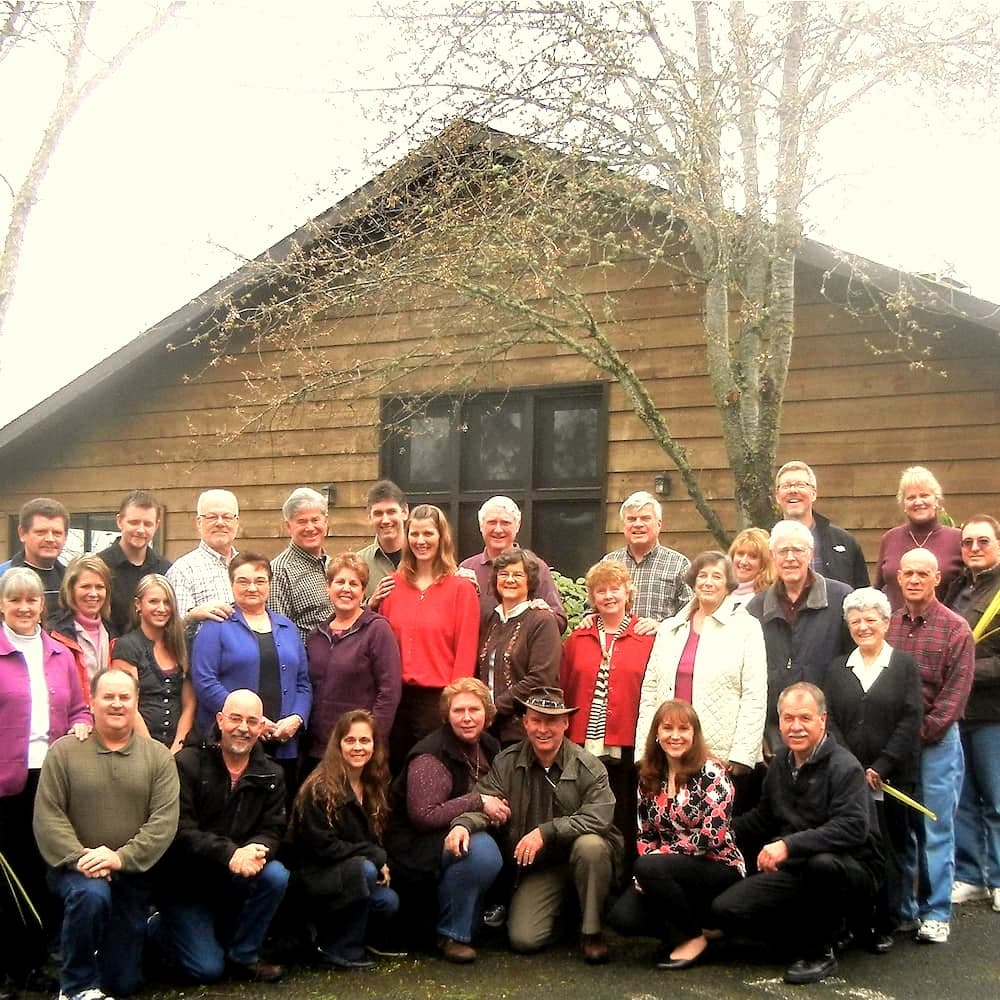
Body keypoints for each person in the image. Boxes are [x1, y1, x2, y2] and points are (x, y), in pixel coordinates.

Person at [711, 683, 882, 986]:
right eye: (788, 718)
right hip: (797, 868)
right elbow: (763, 819)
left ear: (822, 720)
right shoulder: (780, 764)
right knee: (726, 910)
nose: (796, 726)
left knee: (823, 864)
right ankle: (819, 931)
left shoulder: (845, 767)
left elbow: (853, 827)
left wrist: (788, 845)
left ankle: (821, 950)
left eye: (805, 718)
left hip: (851, 870)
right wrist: (715, 832)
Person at [445, 687, 624, 965]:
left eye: (551, 721)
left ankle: (592, 933)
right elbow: (487, 803)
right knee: (523, 939)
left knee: (591, 846)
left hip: (584, 858)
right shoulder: (507, 762)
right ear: (525, 722)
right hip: (542, 868)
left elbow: (600, 817)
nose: (543, 729)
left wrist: (546, 831)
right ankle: (568, 916)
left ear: (565, 723)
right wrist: (464, 825)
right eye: (536, 720)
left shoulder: (589, 765)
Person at [33, 668, 179, 1000]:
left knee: (123, 983)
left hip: (130, 874)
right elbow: (48, 815)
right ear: (92, 701)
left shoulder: (157, 757)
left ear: (136, 702)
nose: (116, 704)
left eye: (124, 697)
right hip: (74, 871)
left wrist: (118, 857)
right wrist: (80, 857)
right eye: (108, 697)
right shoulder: (64, 752)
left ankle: (139, 933)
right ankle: (76, 987)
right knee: (92, 895)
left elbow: (163, 822)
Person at [150, 689, 288, 984]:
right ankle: (158, 927)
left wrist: (257, 848)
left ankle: (244, 955)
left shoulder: (272, 775)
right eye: (236, 719)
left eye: (252, 721)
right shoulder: (187, 763)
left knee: (275, 875)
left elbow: (273, 830)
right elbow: (180, 830)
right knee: (206, 970)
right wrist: (230, 854)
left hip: (234, 879)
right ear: (220, 720)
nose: (243, 728)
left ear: (261, 728)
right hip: (185, 884)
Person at [0, 568, 90, 995]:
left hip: (50, 779)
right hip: (5, 782)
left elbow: (80, 709)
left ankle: (38, 961)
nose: (23, 608)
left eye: (31, 601)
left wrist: (82, 726)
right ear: (2, 604)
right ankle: (10, 965)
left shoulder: (58, 654)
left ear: (43, 605)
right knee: (9, 877)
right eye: (14, 600)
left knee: (43, 871)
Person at [608, 700, 744, 970]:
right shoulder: (649, 775)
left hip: (717, 865)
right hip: (664, 870)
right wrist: (647, 873)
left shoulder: (713, 773)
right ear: (656, 734)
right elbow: (645, 834)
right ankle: (700, 928)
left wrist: (655, 863)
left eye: (684, 728)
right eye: (667, 728)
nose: (675, 735)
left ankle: (692, 939)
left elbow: (711, 837)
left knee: (649, 866)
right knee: (622, 918)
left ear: (695, 734)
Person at [824, 587, 922, 950]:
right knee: (852, 850)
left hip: (893, 778)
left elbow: (911, 721)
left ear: (886, 622)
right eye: (856, 620)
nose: (863, 626)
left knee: (890, 850)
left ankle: (884, 923)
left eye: (870, 620)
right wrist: (852, 767)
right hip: (849, 780)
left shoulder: (905, 666)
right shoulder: (836, 668)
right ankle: (852, 922)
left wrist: (881, 766)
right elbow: (829, 719)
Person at [384, 678, 507, 962]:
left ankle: (476, 920)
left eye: (474, 710)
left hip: (464, 829)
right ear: (446, 715)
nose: (466, 718)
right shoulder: (431, 754)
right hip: (415, 844)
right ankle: (451, 934)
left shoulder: (489, 745)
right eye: (457, 711)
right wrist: (478, 803)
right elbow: (424, 815)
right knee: (482, 850)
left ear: (487, 714)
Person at [887, 548, 975, 942]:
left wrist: (914, 735)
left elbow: (953, 698)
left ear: (937, 578)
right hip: (897, 746)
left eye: (923, 573)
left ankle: (936, 912)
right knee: (901, 829)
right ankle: (905, 908)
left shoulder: (956, 629)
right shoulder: (887, 627)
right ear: (899, 578)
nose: (915, 580)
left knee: (935, 827)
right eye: (908, 573)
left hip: (937, 742)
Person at [636, 552, 767, 810]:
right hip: (669, 751)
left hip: (720, 754)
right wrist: (644, 749)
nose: (708, 582)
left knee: (714, 832)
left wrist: (741, 755)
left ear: (728, 584)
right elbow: (650, 690)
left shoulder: (746, 628)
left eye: (716, 576)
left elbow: (755, 694)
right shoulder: (670, 629)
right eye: (702, 576)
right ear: (693, 582)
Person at [286, 710, 399, 970]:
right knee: (365, 871)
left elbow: (376, 835)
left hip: (348, 871)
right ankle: (337, 948)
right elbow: (323, 847)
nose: (358, 747)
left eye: (364, 740)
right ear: (338, 745)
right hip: (313, 876)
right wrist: (374, 855)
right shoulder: (320, 788)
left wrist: (375, 854)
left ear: (374, 745)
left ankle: (343, 936)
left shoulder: (374, 783)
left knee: (388, 902)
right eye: (350, 741)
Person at [191, 553, 312, 791]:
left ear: (269, 584)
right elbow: (204, 679)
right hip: (235, 739)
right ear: (232, 584)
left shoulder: (287, 627)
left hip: (283, 741)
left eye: (260, 580)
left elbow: (303, 683)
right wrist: (251, 719)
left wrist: (296, 719)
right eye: (243, 581)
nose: (252, 588)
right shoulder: (216, 625)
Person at [373, 504, 479, 767]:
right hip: (395, 698)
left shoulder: (461, 589)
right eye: (414, 534)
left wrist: (455, 701)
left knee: (431, 772)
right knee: (395, 771)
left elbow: (466, 650)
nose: (421, 541)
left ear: (441, 538)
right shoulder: (392, 586)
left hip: (437, 699)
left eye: (428, 534)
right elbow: (380, 644)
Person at [561, 560, 655, 850]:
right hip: (582, 741)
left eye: (615, 589)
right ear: (592, 598)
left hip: (627, 740)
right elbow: (565, 686)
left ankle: (625, 876)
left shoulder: (648, 637)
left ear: (628, 593)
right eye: (601, 591)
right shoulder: (578, 638)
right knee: (583, 808)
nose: (609, 596)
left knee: (625, 811)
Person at [747, 520, 853, 754]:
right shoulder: (756, 608)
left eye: (798, 550)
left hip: (830, 727)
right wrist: (762, 732)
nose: (790, 557)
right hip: (776, 731)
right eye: (783, 551)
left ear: (811, 553)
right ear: (773, 556)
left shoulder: (841, 599)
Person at [945, 515, 1000, 912]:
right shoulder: (956, 589)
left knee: (997, 800)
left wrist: (962, 671)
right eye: (967, 543)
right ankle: (969, 875)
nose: (975, 548)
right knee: (961, 800)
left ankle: (998, 878)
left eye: (983, 541)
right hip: (956, 715)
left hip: (992, 713)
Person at [304, 553, 401, 768]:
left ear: (363, 590)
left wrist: (372, 739)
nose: (346, 589)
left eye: (353, 583)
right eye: (340, 582)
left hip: (361, 750)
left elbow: (390, 691)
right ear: (328, 587)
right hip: (320, 749)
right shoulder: (315, 636)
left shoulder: (377, 630)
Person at [478, 547, 562, 745]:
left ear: (530, 581)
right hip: (487, 729)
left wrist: (494, 707)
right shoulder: (490, 619)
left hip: (523, 728)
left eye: (518, 575)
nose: (509, 580)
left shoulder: (542, 620)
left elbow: (540, 678)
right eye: (504, 574)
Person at [110, 573, 195, 751]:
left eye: (167, 602)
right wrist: (153, 751)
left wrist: (178, 746)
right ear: (138, 605)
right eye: (154, 601)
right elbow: (128, 703)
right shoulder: (127, 646)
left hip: (178, 745)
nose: (161, 608)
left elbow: (189, 703)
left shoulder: (182, 645)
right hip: (137, 745)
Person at [458, 496, 567, 631]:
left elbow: (559, 622)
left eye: (505, 523)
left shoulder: (536, 567)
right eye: (492, 522)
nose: (498, 529)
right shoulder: (467, 568)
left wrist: (544, 614)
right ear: (481, 526)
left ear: (517, 526)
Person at [875, 466, 963, 610]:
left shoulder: (956, 539)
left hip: (942, 629)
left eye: (924, 495)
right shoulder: (890, 538)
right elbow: (877, 590)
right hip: (895, 628)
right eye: (911, 497)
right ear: (904, 503)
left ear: (936, 500)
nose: (918, 502)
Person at [773, 461, 869, 588]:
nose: (793, 490)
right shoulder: (765, 541)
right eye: (786, 486)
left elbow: (862, 593)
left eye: (801, 485)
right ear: (777, 496)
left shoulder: (844, 542)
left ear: (814, 493)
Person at [601, 490, 691, 622]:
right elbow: (591, 609)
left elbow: (691, 614)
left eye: (645, 518)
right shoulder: (608, 563)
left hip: (659, 641)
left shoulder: (679, 565)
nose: (638, 524)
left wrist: (661, 628)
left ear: (659, 524)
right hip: (614, 642)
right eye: (631, 519)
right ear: (623, 526)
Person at [166, 489, 240, 637]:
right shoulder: (183, 571)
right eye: (212, 517)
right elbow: (171, 632)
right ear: (198, 522)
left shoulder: (247, 567)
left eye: (227, 517)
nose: (220, 523)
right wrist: (192, 616)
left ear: (237, 522)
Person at [96, 491, 171, 635]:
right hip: (110, 652)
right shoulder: (100, 566)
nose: (141, 530)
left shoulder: (165, 569)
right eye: (134, 522)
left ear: (157, 525)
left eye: (148, 524)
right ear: (119, 521)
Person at [267, 487, 334, 642]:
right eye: (302, 522)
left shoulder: (332, 565)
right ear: (288, 527)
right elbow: (279, 636)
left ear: (326, 521)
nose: (310, 528)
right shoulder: (279, 572)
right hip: (306, 662)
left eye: (315, 520)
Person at [48, 554, 116, 700]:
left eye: (99, 587)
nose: (93, 593)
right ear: (71, 589)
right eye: (85, 586)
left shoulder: (114, 633)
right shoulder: (54, 634)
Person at [0, 497, 70, 620]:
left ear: (65, 537)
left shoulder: (70, 581)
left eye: (57, 533)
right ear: (22, 533)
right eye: (41, 532)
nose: (50, 539)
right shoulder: (3, 578)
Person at [358, 480, 408, 601]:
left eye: (391, 512)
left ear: (405, 512)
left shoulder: (423, 556)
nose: (385, 520)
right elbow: (349, 613)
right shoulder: (359, 563)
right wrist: (371, 602)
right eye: (378, 513)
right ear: (370, 517)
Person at [728, 527, 774, 606]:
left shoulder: (769, 598)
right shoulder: (720, 593)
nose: (743, 561)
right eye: (740, 554)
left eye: (753, 556)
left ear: (764, 562)